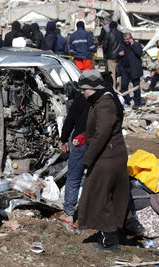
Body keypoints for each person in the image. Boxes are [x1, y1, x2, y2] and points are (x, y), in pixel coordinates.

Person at [76, 69, 130, 252]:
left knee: (100, 198)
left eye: (84, 88)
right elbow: (99, 130)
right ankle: (107, 237)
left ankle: (110, 242)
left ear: (92, 87)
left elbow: (103, 133)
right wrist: (84, 136)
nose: (82, 92)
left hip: (107, 157)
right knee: (104, 197)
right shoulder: (101, 101)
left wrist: (87, 158)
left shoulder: (105, 103)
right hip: (109, 155)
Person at [58, 86, 89, 226]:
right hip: (100, 143)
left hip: (80, 142)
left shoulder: (82, 97)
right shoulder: (109, 99)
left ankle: (69, 213)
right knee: (94, 178)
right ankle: (90, 213)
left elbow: (70, 119)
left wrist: (63, 138)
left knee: (74, 177)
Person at [118, 32, 143, 108]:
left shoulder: (136, 44)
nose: (126, 41)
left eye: (128, 39)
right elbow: (119, 53)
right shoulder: (123, 45)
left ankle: (137, 103)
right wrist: (119, 54)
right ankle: (126, 101)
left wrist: (132, 44)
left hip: (134, 68)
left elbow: (139, 53)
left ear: (131, 38)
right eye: (125, 39)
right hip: (125, 69)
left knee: (136, 86)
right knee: (123, 86)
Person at [102, 21, 124, 89]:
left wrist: (105, 54)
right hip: (120, 56)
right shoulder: (121, 34)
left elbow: (105, 46)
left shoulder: (108, 34)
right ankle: (120, 87)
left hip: (111, 56)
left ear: (110, 27)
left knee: (112, 72)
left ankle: (113, 87)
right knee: (120, 72)